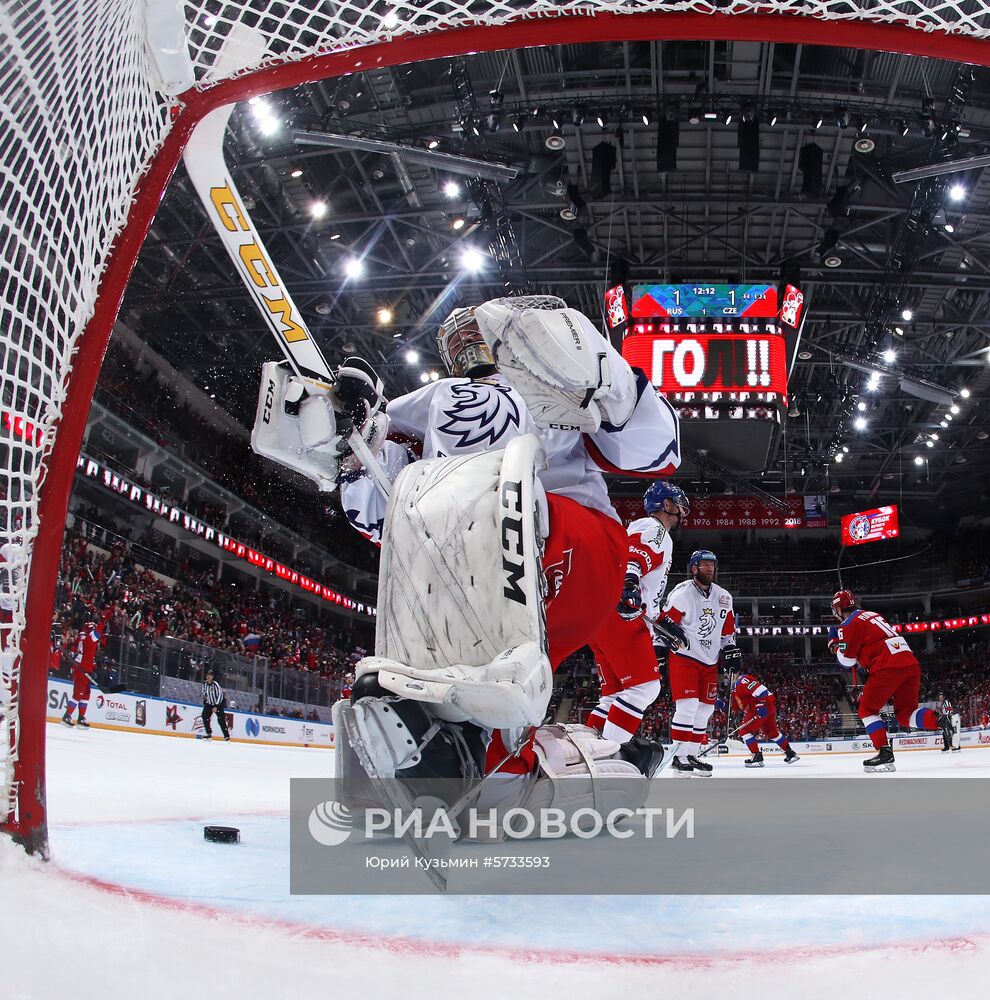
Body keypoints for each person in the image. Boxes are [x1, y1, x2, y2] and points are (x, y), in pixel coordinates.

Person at [252, 296, 682, 829]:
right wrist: (353, 447)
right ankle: (446, 755)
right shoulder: (422, 404)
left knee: (487, 510)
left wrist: (607, 381)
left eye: (479, 332)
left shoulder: (554, 380)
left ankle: (466, 756)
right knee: (480, 761)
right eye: (459, 336)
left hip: (574, 539)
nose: (470, 343)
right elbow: (383, 516)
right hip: (467, 565)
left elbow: (658, 451)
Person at [586, 481, 689, 743]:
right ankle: (609, 754)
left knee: (613, 695)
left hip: (603, 616)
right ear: (667, 504)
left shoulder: (639, 526)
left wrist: (663, 623)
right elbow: (635, 557)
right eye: (678, 504)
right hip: (623, 616)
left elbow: (645, 588)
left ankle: (586, 749)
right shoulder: (655, 528)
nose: (681, 511)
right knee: (644, 688)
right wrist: (629, 584)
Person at [827, 590, 940, 772]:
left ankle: (884, 751)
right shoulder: (872, 614)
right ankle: (941, 721)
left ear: (839, 609)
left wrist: (834, 645)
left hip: (887, 667)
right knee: (905, 714)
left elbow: (847, 661)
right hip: (910, 663)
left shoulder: (849, 624)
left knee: (867, 710)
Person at [656, 550, 740, 777]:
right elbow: (663, 624)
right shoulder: (682, 593)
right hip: (684, 657)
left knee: (705, 709)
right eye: (704, 564)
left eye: (712, 564)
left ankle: (692, 754)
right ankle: (678, 757)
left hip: (710, 661)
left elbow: (727, 632)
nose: (710, 568)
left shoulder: (724, 597)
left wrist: (731, 649)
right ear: (694, 568)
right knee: (688, 706)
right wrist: (660, 650)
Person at [719, 673, 799, 767]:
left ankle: (757, 757)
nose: (728, 676)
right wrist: (720, 704)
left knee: (744, 730)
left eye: (729, 674)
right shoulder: (734, 688)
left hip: (760, 707)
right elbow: (735, 707)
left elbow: (761, 690)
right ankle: (790, 754)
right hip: (765, 707)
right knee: (772, 733)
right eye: (726, 675)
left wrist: (762, 703)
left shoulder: (743, 680)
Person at [63, 618, 100, 728]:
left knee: (85, 694)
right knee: (79, 694)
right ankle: (67, 715)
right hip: (83, 669)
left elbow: (76, 649)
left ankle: (81, 718)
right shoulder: (89, 638)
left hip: (84, 668)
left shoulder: (82, 637)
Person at [199, 668, 230, 741]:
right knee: (204, 716)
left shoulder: (215, 684)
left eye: (210, 675)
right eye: (207, 675)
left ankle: (226, 736)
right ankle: (209, 733)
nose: (208, 677)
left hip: (218, 704)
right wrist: (205, 700)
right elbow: (204, 693)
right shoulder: (205, 684)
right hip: (209, 704)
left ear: (212, 677)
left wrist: (216, 706)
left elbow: (220, 695)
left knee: (221, 720)